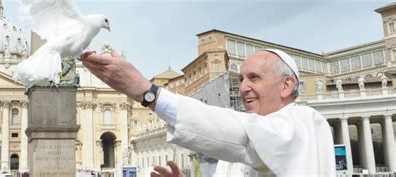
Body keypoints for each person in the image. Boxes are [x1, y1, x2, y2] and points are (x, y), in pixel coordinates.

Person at [81, 48, 336, 177]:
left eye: (254, 78)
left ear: (287, 85)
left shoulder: (306, 123)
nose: (244, 87)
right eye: (241, 79)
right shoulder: (235, 151)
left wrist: (149, 94)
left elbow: (247, 135)